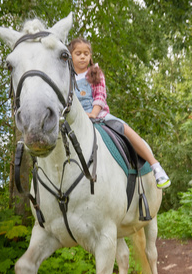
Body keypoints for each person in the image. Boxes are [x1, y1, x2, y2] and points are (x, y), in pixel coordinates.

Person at [68, 37, 171, 189]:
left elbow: (100, 96)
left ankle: (155, 165)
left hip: (97, 114)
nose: (83, 56)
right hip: (75, 118)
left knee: (123, 128)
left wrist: (93, 114)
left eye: (86, 53)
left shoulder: (95, 73)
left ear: (90, 56)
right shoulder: (67, 76)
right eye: (78, 53)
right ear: (70, 55)